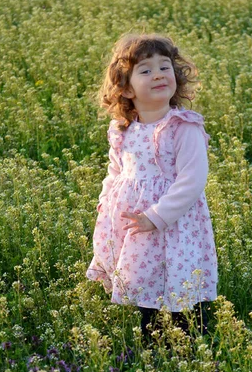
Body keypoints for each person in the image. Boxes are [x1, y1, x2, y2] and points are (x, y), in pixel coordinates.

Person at [86, 33, 218, 338]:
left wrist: (156, 216)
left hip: (175, 224)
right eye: (146, 70)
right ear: (127, 88)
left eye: (165, 67)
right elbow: (115, 171)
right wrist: (106, 204)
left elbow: (192, 179)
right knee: (146, 278)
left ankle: (190, 341)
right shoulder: (123, 130)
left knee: (181, 278)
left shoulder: (183, 127)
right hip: (136, 223)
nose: (158, 74)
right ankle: (155, 342)